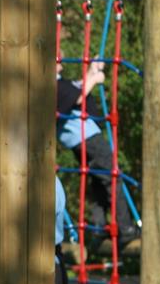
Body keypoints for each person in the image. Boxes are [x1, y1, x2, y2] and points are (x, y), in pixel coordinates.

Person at [56, 58, 140, 250]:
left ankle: (99, 227)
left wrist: (93, 70)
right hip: (87, 136)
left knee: (97, 180)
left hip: (79, 138)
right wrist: (94, 80)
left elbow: (78, 87)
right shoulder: (53, 83)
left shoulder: (61, 82)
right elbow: (75, 97)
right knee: (112, 177)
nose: (61, 55)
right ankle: (125, 227)